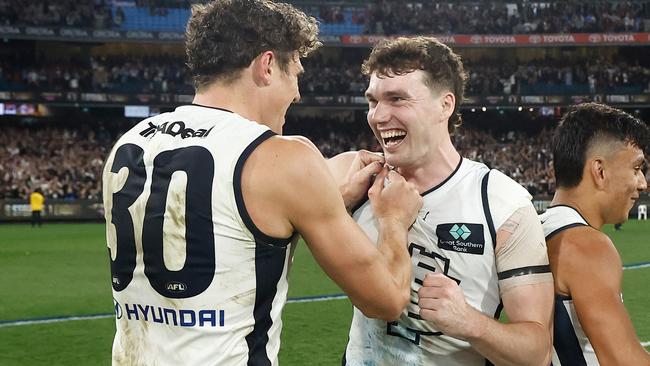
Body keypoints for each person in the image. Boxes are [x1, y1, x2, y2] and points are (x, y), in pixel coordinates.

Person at [101, 1, 422, 365]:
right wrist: (394, 220)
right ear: (267, 66)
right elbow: (386, 299)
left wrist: (328, 198)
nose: (297, 93)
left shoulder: (128, 143)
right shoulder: (281, 156)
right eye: (295, 73)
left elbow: (221, 226)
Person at [329, 36, 554, 366]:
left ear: (445, 105)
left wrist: (469, 322)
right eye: (372, 101)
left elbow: (537, 353)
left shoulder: (501, 204)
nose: (378, 116)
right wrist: (337, 202)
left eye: (397, 99)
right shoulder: (352, 175)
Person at [540, 103, 650, 365]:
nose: (643, 183)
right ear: (599, 171)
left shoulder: (537, 227)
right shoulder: (586, 246)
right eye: (636, 169)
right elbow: (624, 362)